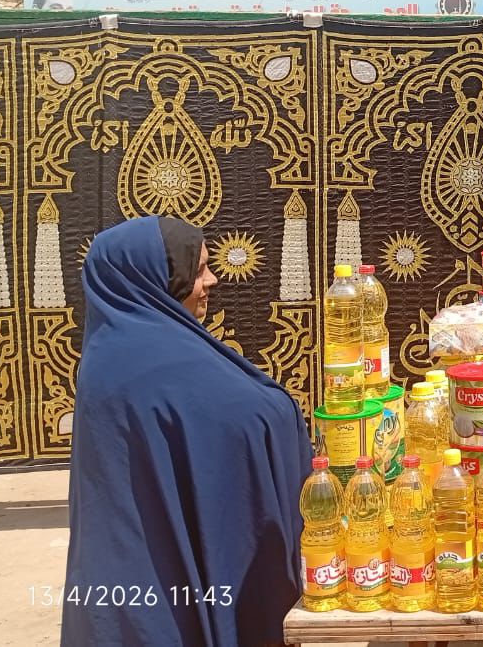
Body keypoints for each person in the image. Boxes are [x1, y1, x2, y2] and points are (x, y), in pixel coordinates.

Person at [63, 216, 313, 647]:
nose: (211, 280)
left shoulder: (116, 348)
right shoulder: (144, 362)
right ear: (155, 277)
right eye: (197, 270)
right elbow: (248, 417)